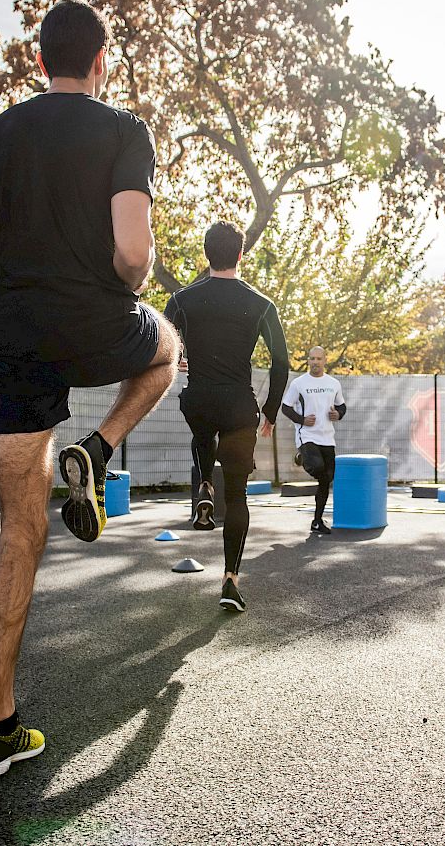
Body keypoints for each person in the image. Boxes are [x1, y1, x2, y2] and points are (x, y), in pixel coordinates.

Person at [0, 0, 179, 778]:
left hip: (12, 342)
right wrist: (128, 279)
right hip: (97, 326)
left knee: (17, 537)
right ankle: (99, 446)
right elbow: (133, 255)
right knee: (166, 349)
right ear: (101, 63)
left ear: (39, 63)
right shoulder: (124, 130)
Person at [164, 221, 290, 612]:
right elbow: (282, 363)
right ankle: (230, 581)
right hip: (239, 406)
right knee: (237, 497)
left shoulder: (182, 299)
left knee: (202, 433)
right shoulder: (261, 304)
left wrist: (180, 356)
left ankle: (203, 484)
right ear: (241, 253)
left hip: (199, 399)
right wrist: (270, 411)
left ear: (206, 253)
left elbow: (163, 343)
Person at [281, 346, 346, 535]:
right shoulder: (299, 384)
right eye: (312, 359)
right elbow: (286, 408)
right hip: (307, 435)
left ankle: (317, 521)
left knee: (327, 478)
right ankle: (304, 456)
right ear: (308, 361)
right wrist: (302, 420)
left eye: (319, 359)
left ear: (325, 360)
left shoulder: (333, 383)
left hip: (327, 437)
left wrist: (338, 414)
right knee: (317, 468)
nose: (315, 362)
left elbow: (342, 406)